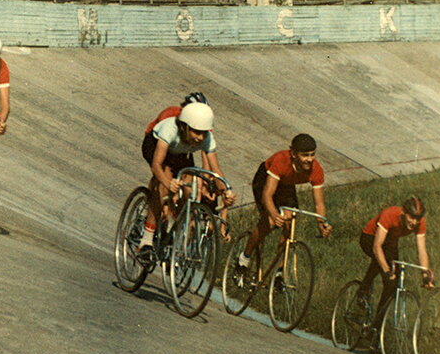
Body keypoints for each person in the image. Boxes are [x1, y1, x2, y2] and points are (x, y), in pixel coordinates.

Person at [137, 101, 236, 260]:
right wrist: (167, 182)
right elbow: (157, 164)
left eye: (204, 133)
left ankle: (172, 232)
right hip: (155, 146)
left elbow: (216, 170)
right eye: (196, 132)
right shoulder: (170, 129)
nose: (200, 137)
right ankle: (146, 240)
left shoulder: (207, 138)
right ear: (184, 127)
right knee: (164, 184)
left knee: (190, 189)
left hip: (180, 153)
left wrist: (225, 191)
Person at [236, 134, 332, 275]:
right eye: (305, 155)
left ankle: (279, 271)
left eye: (312, 155)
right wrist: (274, 215)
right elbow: (267, 196)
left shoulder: (316, 169)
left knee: (289, 221)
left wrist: (321, 223)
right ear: (293, 154)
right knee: (268, 222)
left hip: (286, 184)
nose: (310, 159)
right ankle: (244, 258)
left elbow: (319, 205)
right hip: (265, 179)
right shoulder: (281, 161)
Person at [357, 196, 433, 341]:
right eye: (412, 217)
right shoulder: (390, 214)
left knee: (392, 286)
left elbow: (422, 250)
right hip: (370, 238)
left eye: (418, 218)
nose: (414, 222)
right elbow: (376, 246)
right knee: (381, 262)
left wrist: (425, 273)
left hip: (390, 244)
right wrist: (386, 270)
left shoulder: (420, 223)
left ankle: (375, 330)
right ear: (404, 213)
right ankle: (363, 289)